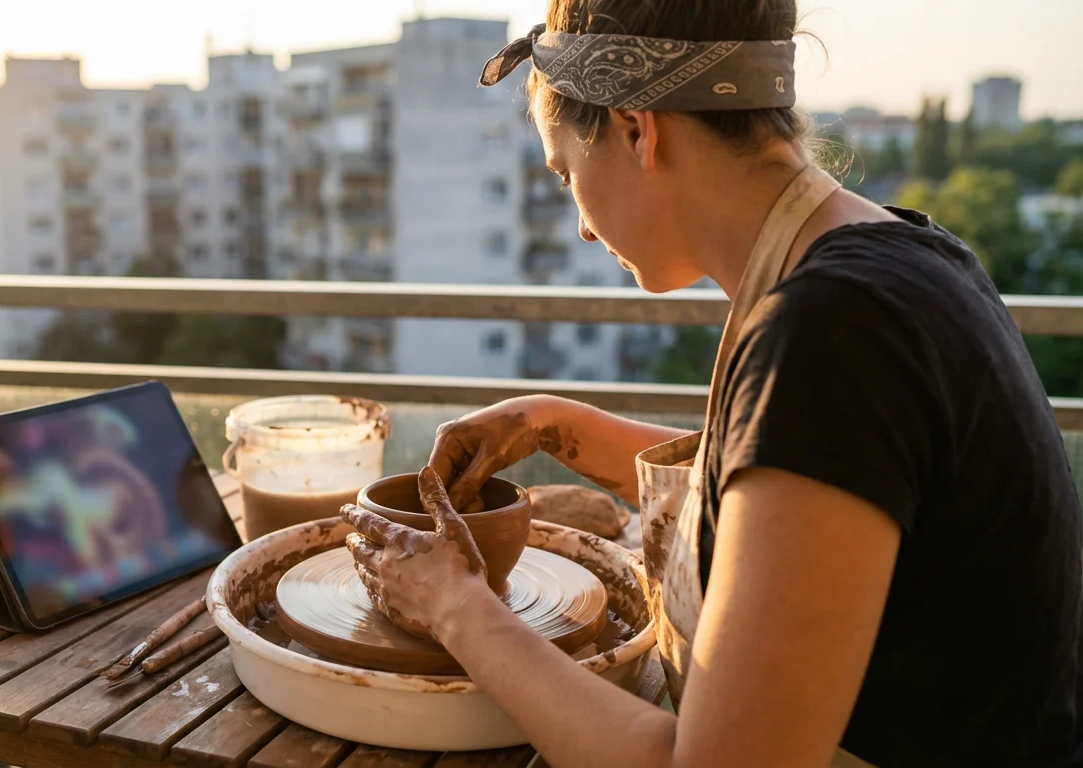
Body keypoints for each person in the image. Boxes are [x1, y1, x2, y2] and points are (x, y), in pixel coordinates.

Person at [338, 1, 1083, 766]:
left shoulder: (834, 334)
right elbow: (787, 499)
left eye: (565, 174)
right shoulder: (900, 256)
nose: (584, 227)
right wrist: (551, 421)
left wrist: (457, 609)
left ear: (636, 128)